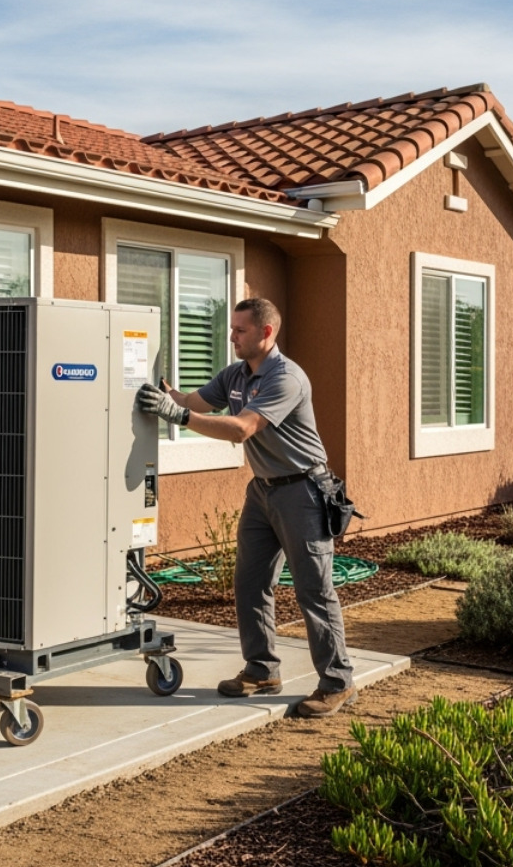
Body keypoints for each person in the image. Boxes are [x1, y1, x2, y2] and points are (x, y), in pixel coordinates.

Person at [136, 297, 356, 717]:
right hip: (263, 491)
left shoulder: (286, 378)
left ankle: (337, 681)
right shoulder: (235, 375)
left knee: (313, 589)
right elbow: (191, 403)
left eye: (240, 330)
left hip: (303, 491)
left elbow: (242, 429)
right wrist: (150, 382)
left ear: (266, 332)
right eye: (232, 328)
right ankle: (261, 669)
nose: (232, 336)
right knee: (249, 582)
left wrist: (178, 418)